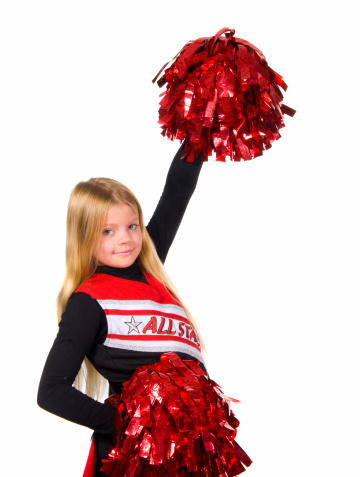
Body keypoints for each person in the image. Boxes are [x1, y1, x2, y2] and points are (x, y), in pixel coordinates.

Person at [37, 145, 251, 476]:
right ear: (83, 236)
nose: (125, 239)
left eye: (132, 226)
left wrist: (198, 129)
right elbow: (51, 391)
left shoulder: (149, 268)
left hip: (188, 454)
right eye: (108, 231)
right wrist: (128, 424)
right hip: (134, 459)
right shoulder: (87, 302)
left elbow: (178, 191)